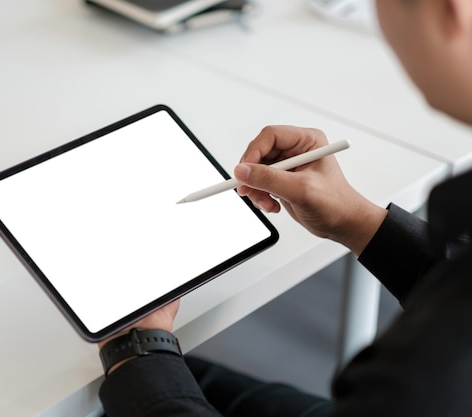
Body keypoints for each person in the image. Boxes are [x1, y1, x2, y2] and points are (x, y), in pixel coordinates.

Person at [97, 0, 472, 415]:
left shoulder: (432, 368)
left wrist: (142, 348)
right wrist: (357, 220)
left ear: (451, 11)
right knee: (180, 375)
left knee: (127, 385)